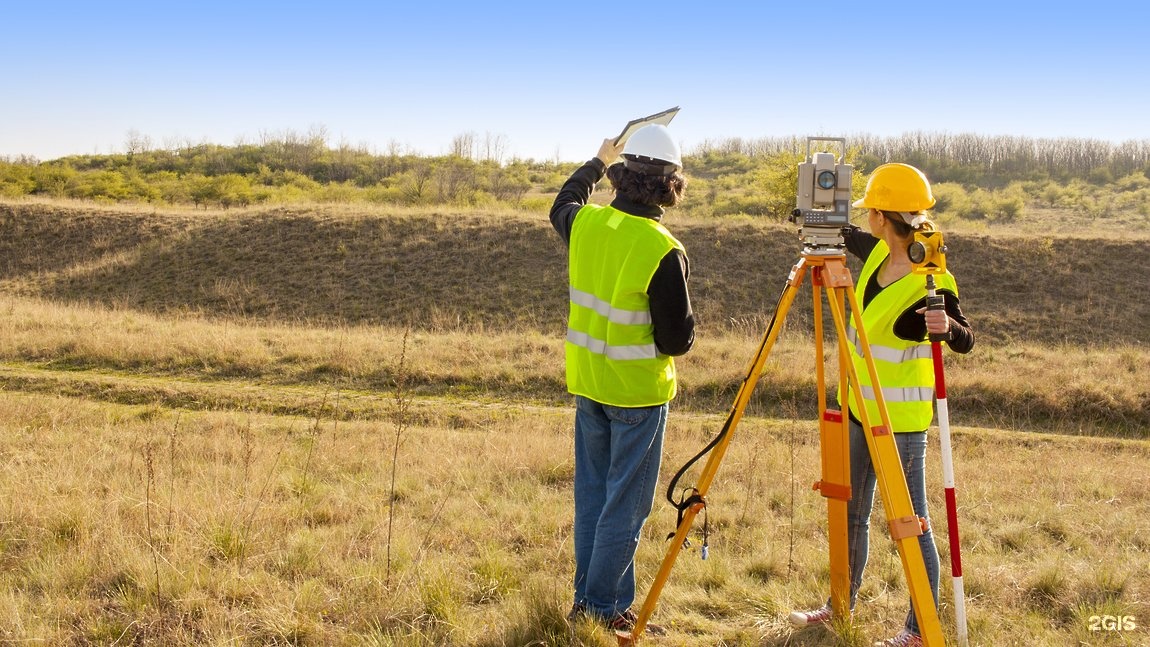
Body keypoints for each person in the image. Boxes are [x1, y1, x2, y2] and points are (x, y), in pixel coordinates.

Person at [788, 163, 975, 647]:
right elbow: (845, 235)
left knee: (909, 526)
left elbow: (965, 338)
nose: (865, 218)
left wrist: (947, 329)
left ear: (881, 217)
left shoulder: (932, 277)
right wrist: (811, 218)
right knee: (849, 513)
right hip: (856, 409)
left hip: (900, 425)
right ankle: (839, 607)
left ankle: (918, 631)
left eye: (870, 210)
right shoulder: (875, 255)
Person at [548, 124, 695, 635]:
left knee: (594, 499)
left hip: (589, 385)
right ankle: (601, 608)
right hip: (637, 395)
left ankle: (592, 599)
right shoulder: (662, 249)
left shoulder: (586, 224)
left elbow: (562, 202)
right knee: (624, 508)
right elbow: (676, 340)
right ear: (670, 186)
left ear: (621, 176)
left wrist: (596, 160)